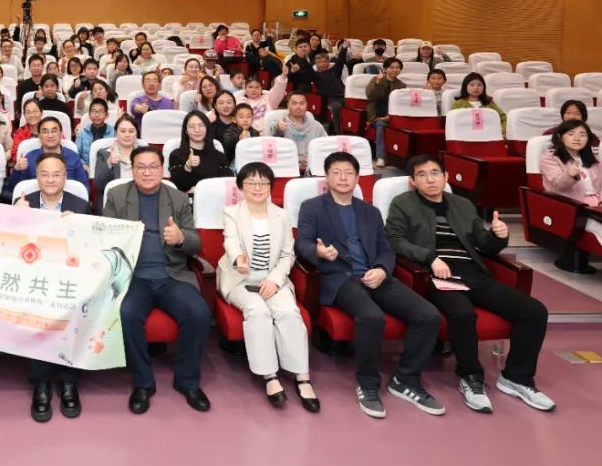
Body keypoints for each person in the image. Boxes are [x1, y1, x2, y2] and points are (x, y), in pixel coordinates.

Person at [387, 154, 554, 413]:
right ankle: (471, 376)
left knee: (535, 311)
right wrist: (430, 258)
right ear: (412, 181)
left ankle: (516, 378)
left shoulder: (463, 204)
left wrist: (498, 236)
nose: (430, 179)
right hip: (438, 275)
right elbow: (395, 239)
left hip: (474, 273)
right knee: (462, 313)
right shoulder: (403, 204)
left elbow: (484, 244)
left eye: (435, 173)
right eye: (422, 175)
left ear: (446, 177)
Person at [295, 152, 442, 419]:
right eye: (336, 172)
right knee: (371, 316)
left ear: (357, 178)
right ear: (326, 177)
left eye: (348, 173)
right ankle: (368, 384)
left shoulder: (370, 212)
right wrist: (318, 252)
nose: (343, 178)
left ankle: (405, 379)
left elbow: (386, 249)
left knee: (428, 315)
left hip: (375, 276)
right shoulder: (312, 207)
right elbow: (302, 243)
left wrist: (383, 270)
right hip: (340, 278)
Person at [103, 146, 211, 414]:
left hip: (171, 275)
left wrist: (181, 238)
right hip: (134, 277)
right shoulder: (117, 196)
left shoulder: (177, 198)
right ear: (132, 170)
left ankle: (187, 381)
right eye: (140, 167)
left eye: (153, 166)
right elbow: (104, 238)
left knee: (199, 313)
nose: (147, 172)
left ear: (162, 170)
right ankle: (143, 383)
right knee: (126, 314)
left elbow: (196, 242)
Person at [218, 162, 319, 412]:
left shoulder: (281, 215)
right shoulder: (231, 213)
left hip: (273, 278)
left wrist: (274, 280)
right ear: (241, 186)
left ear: (271, 186)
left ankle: (302, 375)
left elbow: (287, 254)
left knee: (289, 312)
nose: (257, 187)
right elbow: (230, 241)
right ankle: (270, 375)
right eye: (251, 182)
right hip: (240, 278)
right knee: (258, 311)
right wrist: (238, 259)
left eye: (263, 183)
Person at [13, 152, 91, 421]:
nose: (50, 179)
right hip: (31, 277)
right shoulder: (22, 204)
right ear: (36, 177)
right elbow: (7, 249)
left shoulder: (81, 206)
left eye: (56, 174)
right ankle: (41, 382)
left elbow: (92, 250)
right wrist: (16, 218)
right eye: (44, 174)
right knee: (36, 310)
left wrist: (78, 229)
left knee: (74, 309)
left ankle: (69, 381)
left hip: (69, 278)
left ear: (65, 177)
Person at [541, 120, 602, 273]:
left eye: (582, 134)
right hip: (572, 207)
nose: (577, 138)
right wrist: (570, 175)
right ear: (561, 137)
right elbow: (558, 185)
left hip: (596, 206)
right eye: (571, 134)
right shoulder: (549, 157)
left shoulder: (592, 158)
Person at [7, 116, 89, 199]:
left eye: (54, 131)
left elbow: (84, 189)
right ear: (39, 135)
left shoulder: (73, 157)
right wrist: (17, 170)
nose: (50, 135)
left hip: (68, 202)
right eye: (45, 132)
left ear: (61, 135)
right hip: (35, 202)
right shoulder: (30, 157)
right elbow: (14, 189)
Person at [168, 111, 232, 193]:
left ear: (207, 128)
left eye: (201, 125)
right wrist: (188, 167)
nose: (197, 130)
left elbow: (226, 185)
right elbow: (179, 188)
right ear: (186, 131)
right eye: (192, 126)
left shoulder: (220, 156)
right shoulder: (176, 155)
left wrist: (198, 189)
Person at [365, 58, 406, 168]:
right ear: (385, 69)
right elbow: (370, 96)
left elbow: (400, 105)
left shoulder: (402, 85)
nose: (395, 70)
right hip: (375, 115)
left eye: (398, 68)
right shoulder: (376, 80)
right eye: (391, 67)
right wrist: (378, 82)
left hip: (392, 116)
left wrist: (389, 117)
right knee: (380, 124)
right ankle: (381, 157)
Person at [272, 91, 327, 173]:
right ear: (288, 105)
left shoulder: (316, 126)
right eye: (294, 103)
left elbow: (325, 147)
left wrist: (313, 159)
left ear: (307, 106)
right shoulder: (280, 123)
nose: (298, 107)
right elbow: (273, 143)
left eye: (302, 103)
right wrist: (278, 128)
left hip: (312, 169)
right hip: (287, 169)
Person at [94, 114, 139, 212]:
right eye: (123, 131)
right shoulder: (104, 153)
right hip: (113, 203)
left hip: (139, 202)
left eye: (131, 131)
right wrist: (109, 163)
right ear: (116, 133)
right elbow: (99, 185)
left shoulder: (144, 154)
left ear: (136, 133)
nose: (127, 135)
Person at [233, 65, 288, 132]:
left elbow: (277, 91)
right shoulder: (239, 101)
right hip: (247, 133)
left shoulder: (268, 98)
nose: (253, 90)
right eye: (250, 87)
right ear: (245, 88)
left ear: (261, 89)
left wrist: (283, 77)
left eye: (257, 87)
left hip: (269, 132)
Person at [312, 51, 346, 134]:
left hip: (343, 98)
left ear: (328, 62)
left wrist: (344, 49)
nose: (322, 64)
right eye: (319, 62)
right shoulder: (315, 75)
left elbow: (340, 61)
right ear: (316, 63)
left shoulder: (335, 71)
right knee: (336, 107)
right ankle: (338, 133)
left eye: (325, 61)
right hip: (329, 100)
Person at [75, 98, 115, 166]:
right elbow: (76, 154)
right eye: (93, 111)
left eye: (101, 111)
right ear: (89, 115)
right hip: (87, 168)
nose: (97, 115)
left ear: (106, 115)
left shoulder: (113, 132)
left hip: (108, 168)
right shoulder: (82, 133)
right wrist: (84, 166)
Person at [12, 98, 43, 164]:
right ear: (24, 115)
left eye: (35, 111)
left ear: (41, 113)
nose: (32, 115)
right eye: (28, 112)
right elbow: (15, 155)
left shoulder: (50, 128)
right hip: (27, 166)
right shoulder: (20, 133)